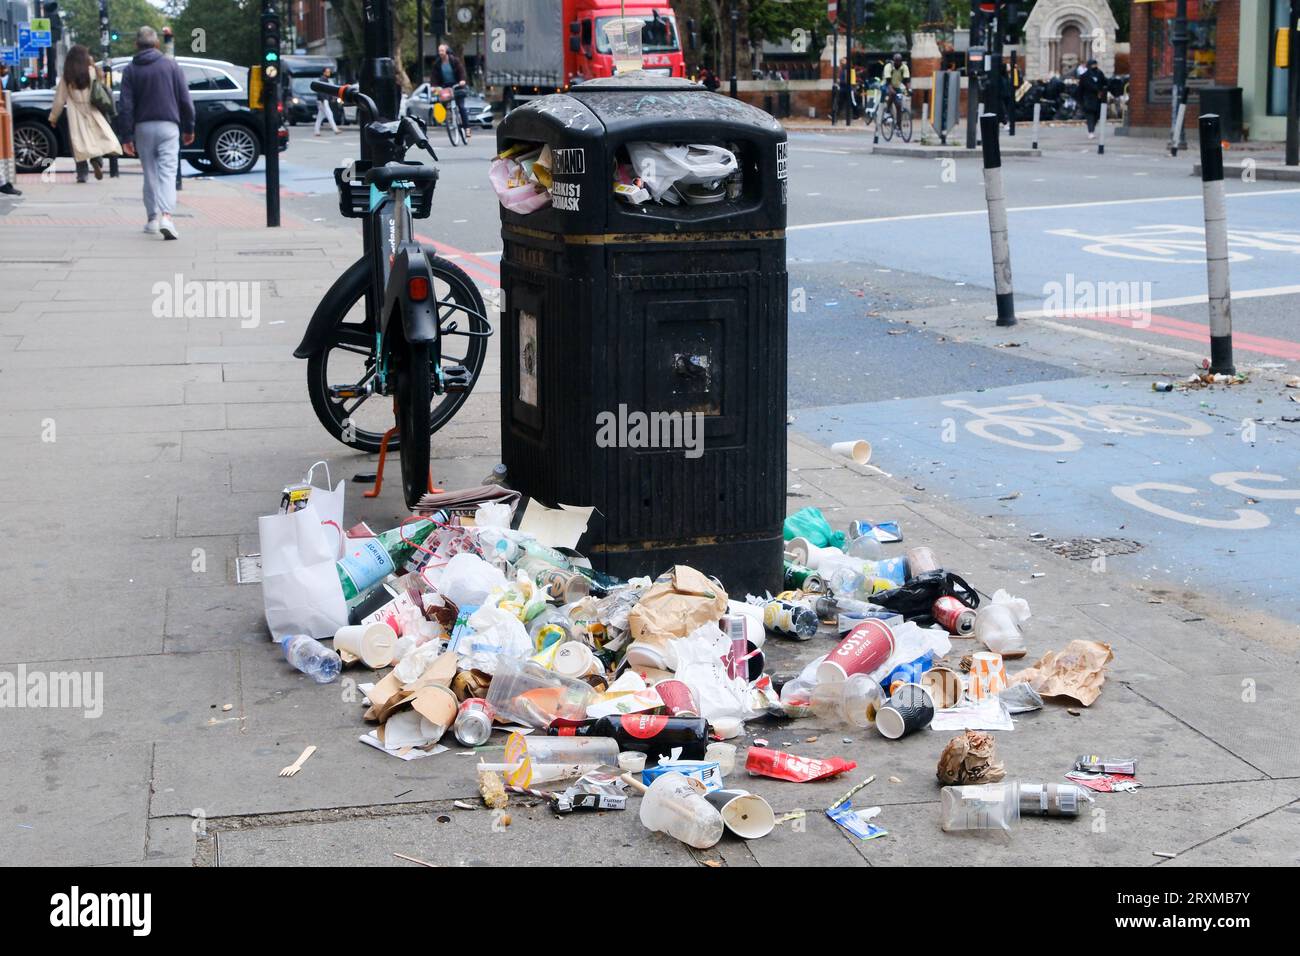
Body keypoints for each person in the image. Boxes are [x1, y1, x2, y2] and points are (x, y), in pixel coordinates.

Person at [117, 26, 194, 240]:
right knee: (168, 172)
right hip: (169, 125)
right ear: (157, 44)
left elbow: (125, 106)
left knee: (149, 173)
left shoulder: (131, 70)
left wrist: (126, 136)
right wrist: (189, 127)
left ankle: (151, 219)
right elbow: (185, 100)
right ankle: (167, 217)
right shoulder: (171, 66)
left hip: (143, 127)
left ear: (136, 45)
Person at [47, 45, 121, 184]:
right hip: (92, 109)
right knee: (95, 137)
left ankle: (82, 174)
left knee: (77, 143)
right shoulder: (93, 71)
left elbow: (59, 99)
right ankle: (96, 159)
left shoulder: (67, 76)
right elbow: (101, 89)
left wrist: (54, 117)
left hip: (75, 111)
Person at [434, 44, 470, 138]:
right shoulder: (437, 63)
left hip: (457, 85)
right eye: (439, 51)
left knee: (461, 107)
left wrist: (462, 80)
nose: (440, 53)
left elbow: (461, 71)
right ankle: (449, 118)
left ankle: (467, 128)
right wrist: (434, 86)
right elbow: (434, 76)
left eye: (442, 50)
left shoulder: (454, 61)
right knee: (442, 103)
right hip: (446, 86)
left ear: (447, 51)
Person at [1078, 58, 1108, 138]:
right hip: (1089, 98)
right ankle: (1091, 131)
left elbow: (1105, 82)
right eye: (1093, 65)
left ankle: (1092, 129)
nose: (1094, 66)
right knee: (1090, 114)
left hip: (1098, 98)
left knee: (1096, 115)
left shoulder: (1099, 73)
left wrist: (1103, 90)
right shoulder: (1084, 76)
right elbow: (1081, 88)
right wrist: (1081, 99)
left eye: (1095, 64)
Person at [881, 53, 911, 127]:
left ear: (901, 61)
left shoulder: (904, 67)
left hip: (897, 86)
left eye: (899, 61)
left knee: (899, 105)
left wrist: (909, 90)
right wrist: (891, 90)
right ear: (893, 61)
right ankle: (887, 111)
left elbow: (906, 81)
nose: (897, 62)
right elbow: (888, 81)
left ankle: (898, 127)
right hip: (886, 85)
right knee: (892, 93)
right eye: (896, 61)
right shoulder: (888, 67)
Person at [314, 66, 340, 136]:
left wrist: (331, 97)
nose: (329, 73)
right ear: (324, 72)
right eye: (327, 72)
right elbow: (321, 90)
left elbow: (327, 91)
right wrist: (323, 99)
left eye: (329, 72)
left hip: (323, 100)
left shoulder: (325, 79)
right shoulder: (323, 79)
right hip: (323, 100)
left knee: (320, 117)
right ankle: (335, 130)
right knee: (329, 114)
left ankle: (316, 131)